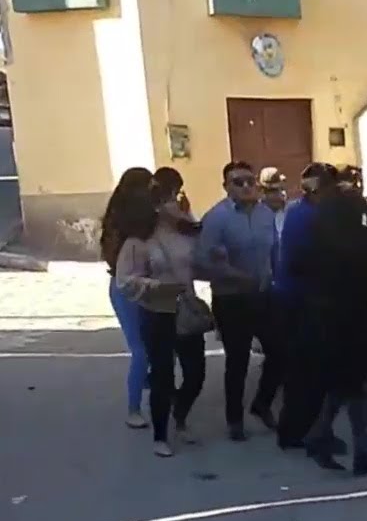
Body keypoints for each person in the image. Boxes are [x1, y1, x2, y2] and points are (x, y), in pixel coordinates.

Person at [291, 183, 367, 476]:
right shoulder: (363, 241)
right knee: (357, 386)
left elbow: (295, 270)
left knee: (337, 385)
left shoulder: (313, 240)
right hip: (353, 320)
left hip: (320, 320)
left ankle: (322, 435)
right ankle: (360, 450)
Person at [114, 183, 207, 458]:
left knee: (196, 373)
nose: (177, 202)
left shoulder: (185, 232)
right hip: (157, 312)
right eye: (170, 198)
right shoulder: (138, 241)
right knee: (163, 375)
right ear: (156, 205)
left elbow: (196, 264)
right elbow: (124, 279)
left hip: (186, 309)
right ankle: (161, 434)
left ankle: (180, 415)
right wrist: (153, 286)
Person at [196, 161, 282, 441]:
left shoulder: (266, 214)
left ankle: (262, 404)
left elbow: (275, 252)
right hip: (232, 299)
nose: (246, 187)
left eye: (249, 181)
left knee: (281, 352)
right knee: (238, 361)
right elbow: (204, 263)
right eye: (238, 182)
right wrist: (236, 276)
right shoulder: (216, 218)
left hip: (264, 295)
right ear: (226, 186)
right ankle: (235, 419)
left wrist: (277, 279)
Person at [274, 163, 339, 449]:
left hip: (300, 300)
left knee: (308, 373)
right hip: (302, 303)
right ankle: (300, 433)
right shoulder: (308, 216)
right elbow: (303, 260)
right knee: (308, 374)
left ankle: (300, 431)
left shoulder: (300, 212)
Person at [101, 167, 154, 429]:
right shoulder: (130, 223)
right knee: (141, 350)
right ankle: (133, 409)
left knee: (152, 345)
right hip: (127, 288)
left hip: (137, 286)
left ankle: (148, 383)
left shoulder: (118, 217)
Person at [259, 167, 289, 234]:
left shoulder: (291, 213)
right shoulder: (256, 215)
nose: (275, 195)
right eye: (270, 191)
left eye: (277, 190)